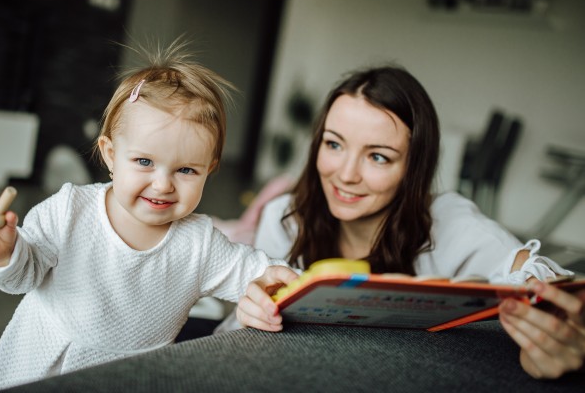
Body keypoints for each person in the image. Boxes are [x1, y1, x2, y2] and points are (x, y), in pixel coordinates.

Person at [0, 42, 291, 392]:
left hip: (134, 377)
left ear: (208, 171)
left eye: (185, 169)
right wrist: (3, 253)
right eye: (144, 162)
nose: (163, 184)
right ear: (110, 154)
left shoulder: (200, 244)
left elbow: (258, 273)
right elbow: (20, 278)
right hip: (40, 365)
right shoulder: (69, 210)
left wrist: (286, 281)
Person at [232, 65, 585, 379]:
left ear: (413, 168)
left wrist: (566, 329)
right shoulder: (285, 216)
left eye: (378, 157)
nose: (346, 174)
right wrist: (253, 310)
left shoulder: (448, 221)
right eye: (334, 145)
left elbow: (541, 277)